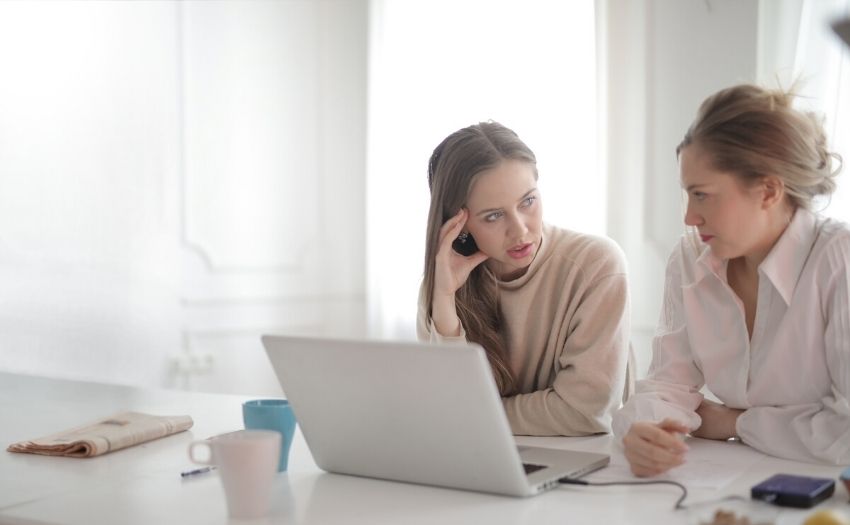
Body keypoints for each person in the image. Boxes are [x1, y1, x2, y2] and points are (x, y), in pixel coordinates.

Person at [613, 84, 850, 476]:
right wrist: (644, 430)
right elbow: (667, 386)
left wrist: (737, 423)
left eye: (702, 195)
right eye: (687, 195)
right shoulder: (690, 258)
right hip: (730, 478)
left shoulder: (838, 260)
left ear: (769, 190)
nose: (690, 216)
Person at [418, 121, 631, 436]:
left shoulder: (596, 264)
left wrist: (478, 414)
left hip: (588, 460)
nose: (520, 230)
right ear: (459, 225)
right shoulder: (445, 283)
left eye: (528, 201)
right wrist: (445, 301)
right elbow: (449, 405)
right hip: (488, 458)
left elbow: (585, 413)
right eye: (493, 215)